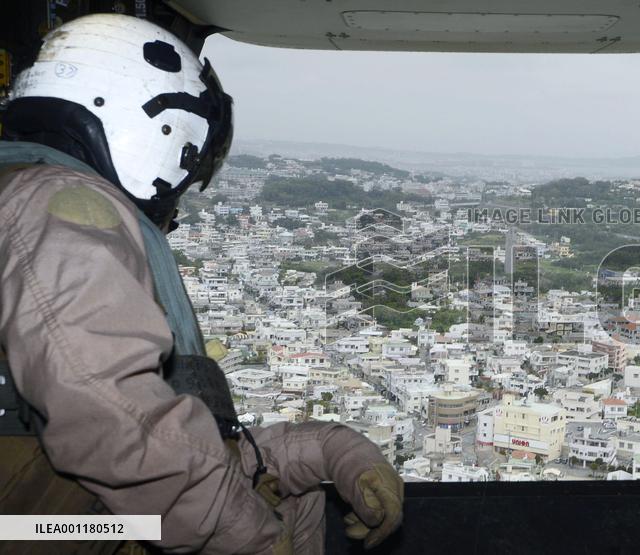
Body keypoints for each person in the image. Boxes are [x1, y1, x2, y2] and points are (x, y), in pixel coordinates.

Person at [0, 14, 403, 554]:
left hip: (56, 515)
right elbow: (116, 418)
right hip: (42, 528)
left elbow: (189, 440)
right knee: (260, 511)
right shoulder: (62, 207)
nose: (180, 190)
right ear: (166, 130)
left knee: (290, 498)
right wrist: (249, 540)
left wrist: (337, 451)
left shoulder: (29, 195)